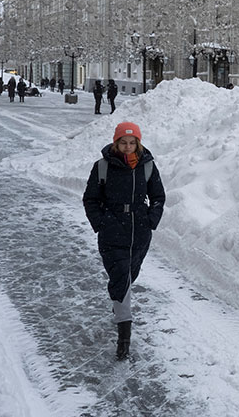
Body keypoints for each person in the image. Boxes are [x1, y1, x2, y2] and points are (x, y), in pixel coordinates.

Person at [82, 122, 165, 361]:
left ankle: (119, 306)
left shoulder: (147, 166)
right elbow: (90, 199)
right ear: (116, 142)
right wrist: (101, 223)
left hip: (139, 231)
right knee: (121, 278)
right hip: (112, 231)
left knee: (129, 275)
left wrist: (151, 220)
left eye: (132, 142)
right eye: (123, 142)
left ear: (138, 143)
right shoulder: (102, 167)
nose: (127, 147)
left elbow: (158, 196)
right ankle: (124, 337)